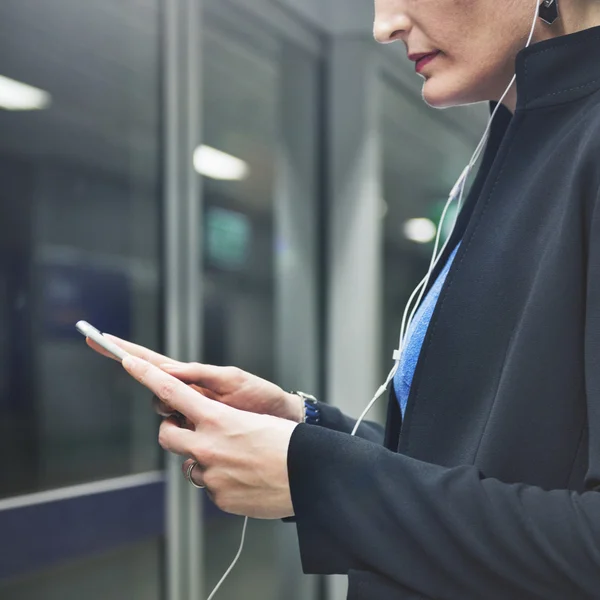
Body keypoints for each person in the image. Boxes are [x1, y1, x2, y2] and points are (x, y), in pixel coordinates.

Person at [90, 0, 600, 597]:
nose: (383, 25)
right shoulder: (523, 133)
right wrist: (305, 430)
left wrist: (316, 477)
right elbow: (481, 466)